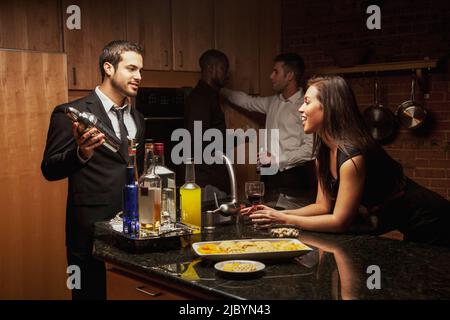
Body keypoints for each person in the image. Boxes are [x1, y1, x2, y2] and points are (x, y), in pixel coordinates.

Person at [244, 75, 450, 247]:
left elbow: (340, 221)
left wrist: (283, 219)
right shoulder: (323, 152)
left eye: (306, 102)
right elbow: (322, 207)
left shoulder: (352, 155)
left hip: (433, 219)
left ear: (328, 107)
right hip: (402, 221)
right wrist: (273, 213)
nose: (300, 109)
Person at [41, 40, 145, 299]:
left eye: (140, 70)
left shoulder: (138, 119)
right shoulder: (70, 113)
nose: (139, 76)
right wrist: (80, 153)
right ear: (108, 68)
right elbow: (49, 169)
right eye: (132, 69)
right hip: (89, 233)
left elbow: (132, 169)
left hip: (132, 230)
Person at [221, 53, 315, 198]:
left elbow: (310, 150)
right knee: (266, 216)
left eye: (276, 72)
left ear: (289, 76)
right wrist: (218, 89)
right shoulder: (272, 102)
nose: (271, 76)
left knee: (289, 220)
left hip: (293, 178)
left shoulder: (305, 106)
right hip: (268, 176)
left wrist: (277, 159)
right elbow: (246, 101)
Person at [184, 49, 231, 202]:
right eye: (223, 69)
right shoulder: (201, 98)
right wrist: (237, 138)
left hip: (212, 178)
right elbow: (200, 138)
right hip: (206, 181)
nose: (226, 74)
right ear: (211, 68)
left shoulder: (210, 95)